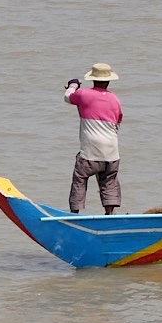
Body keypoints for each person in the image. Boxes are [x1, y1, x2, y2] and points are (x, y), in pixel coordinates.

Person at [64, 62, 124, 214]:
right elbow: (118, 122)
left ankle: (75, 214)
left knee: (80, 178)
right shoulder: (115, 99)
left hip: (90, 152)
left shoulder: (83, 94)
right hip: (111, 151)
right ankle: (109, 214)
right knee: (109, 182)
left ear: (93, 79)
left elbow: (68, 97)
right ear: (109, 81)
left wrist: (73, 85)